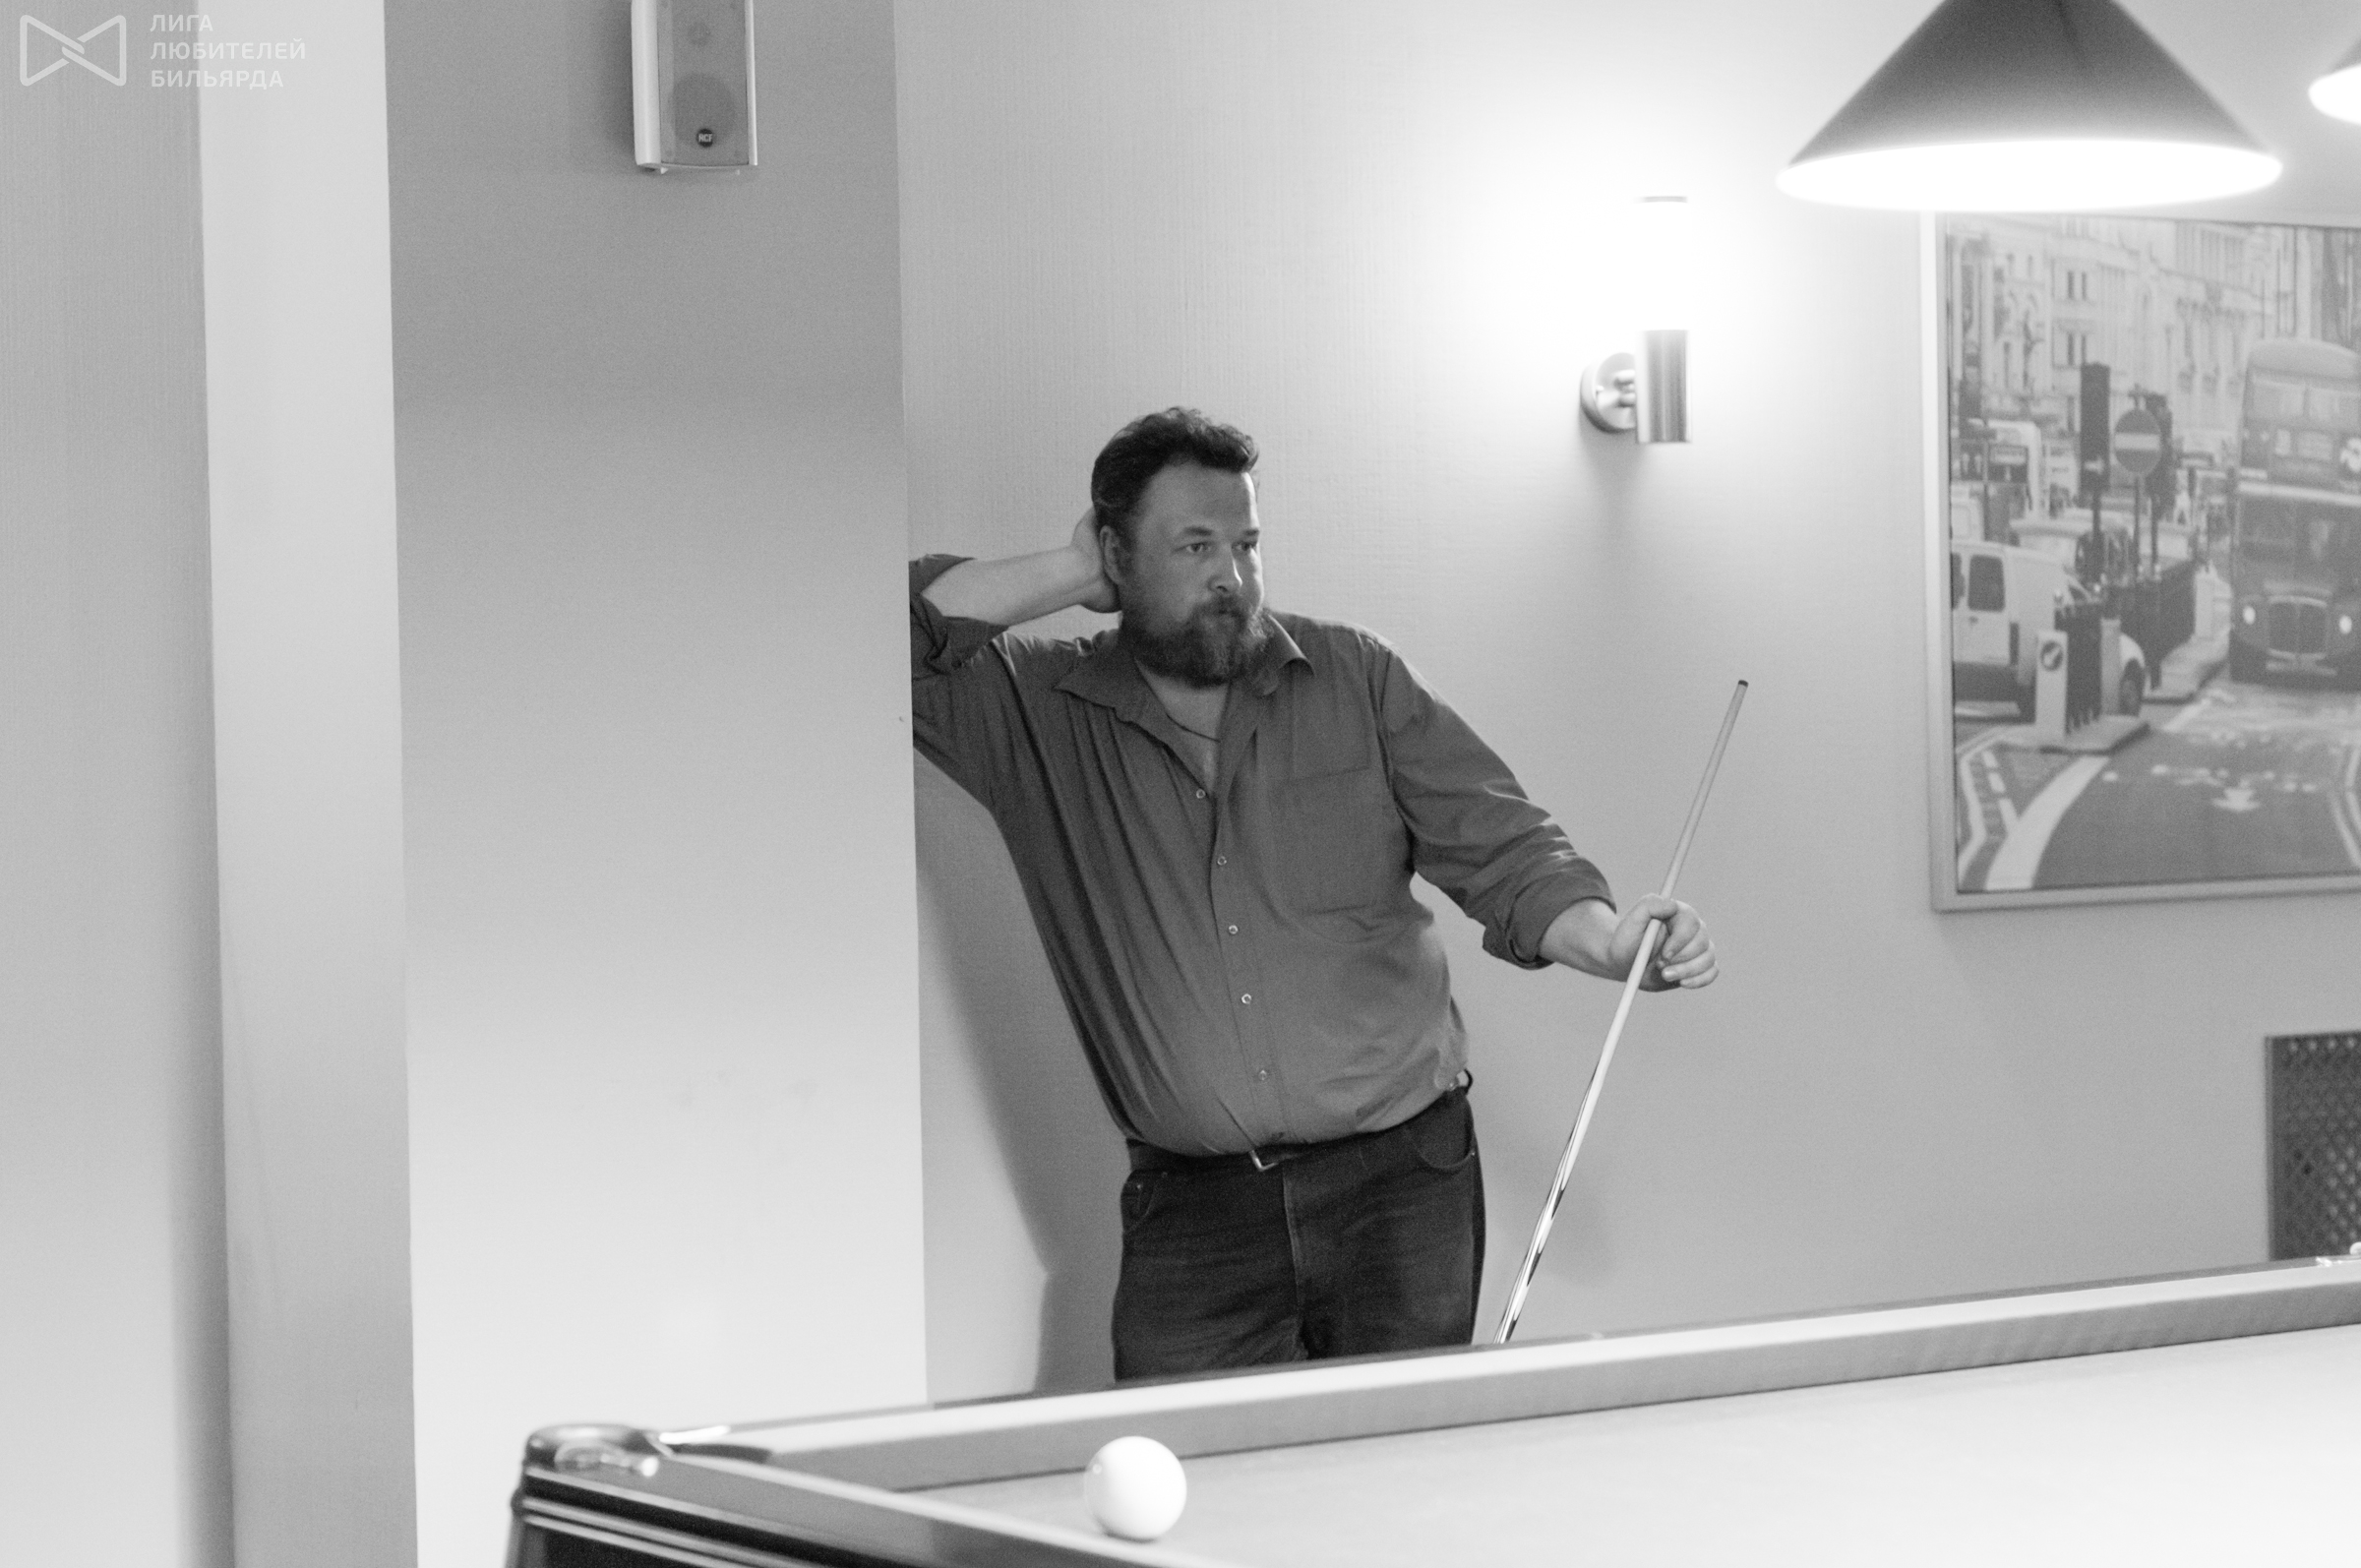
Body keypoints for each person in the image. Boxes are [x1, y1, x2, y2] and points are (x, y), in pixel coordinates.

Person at [911, 407, 1716, 1379]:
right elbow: (881, 632)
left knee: (1398, 1463)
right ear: (1119, 555)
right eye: (1195, 546)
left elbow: (1505, 846)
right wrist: (1075, 570)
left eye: (1247, 544)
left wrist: (1609, 943)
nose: (1232, 576)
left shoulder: (1355, 678)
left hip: (1402, 1188)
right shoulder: (1035, 711)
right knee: (1191, 1465)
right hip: (1197, 1214)